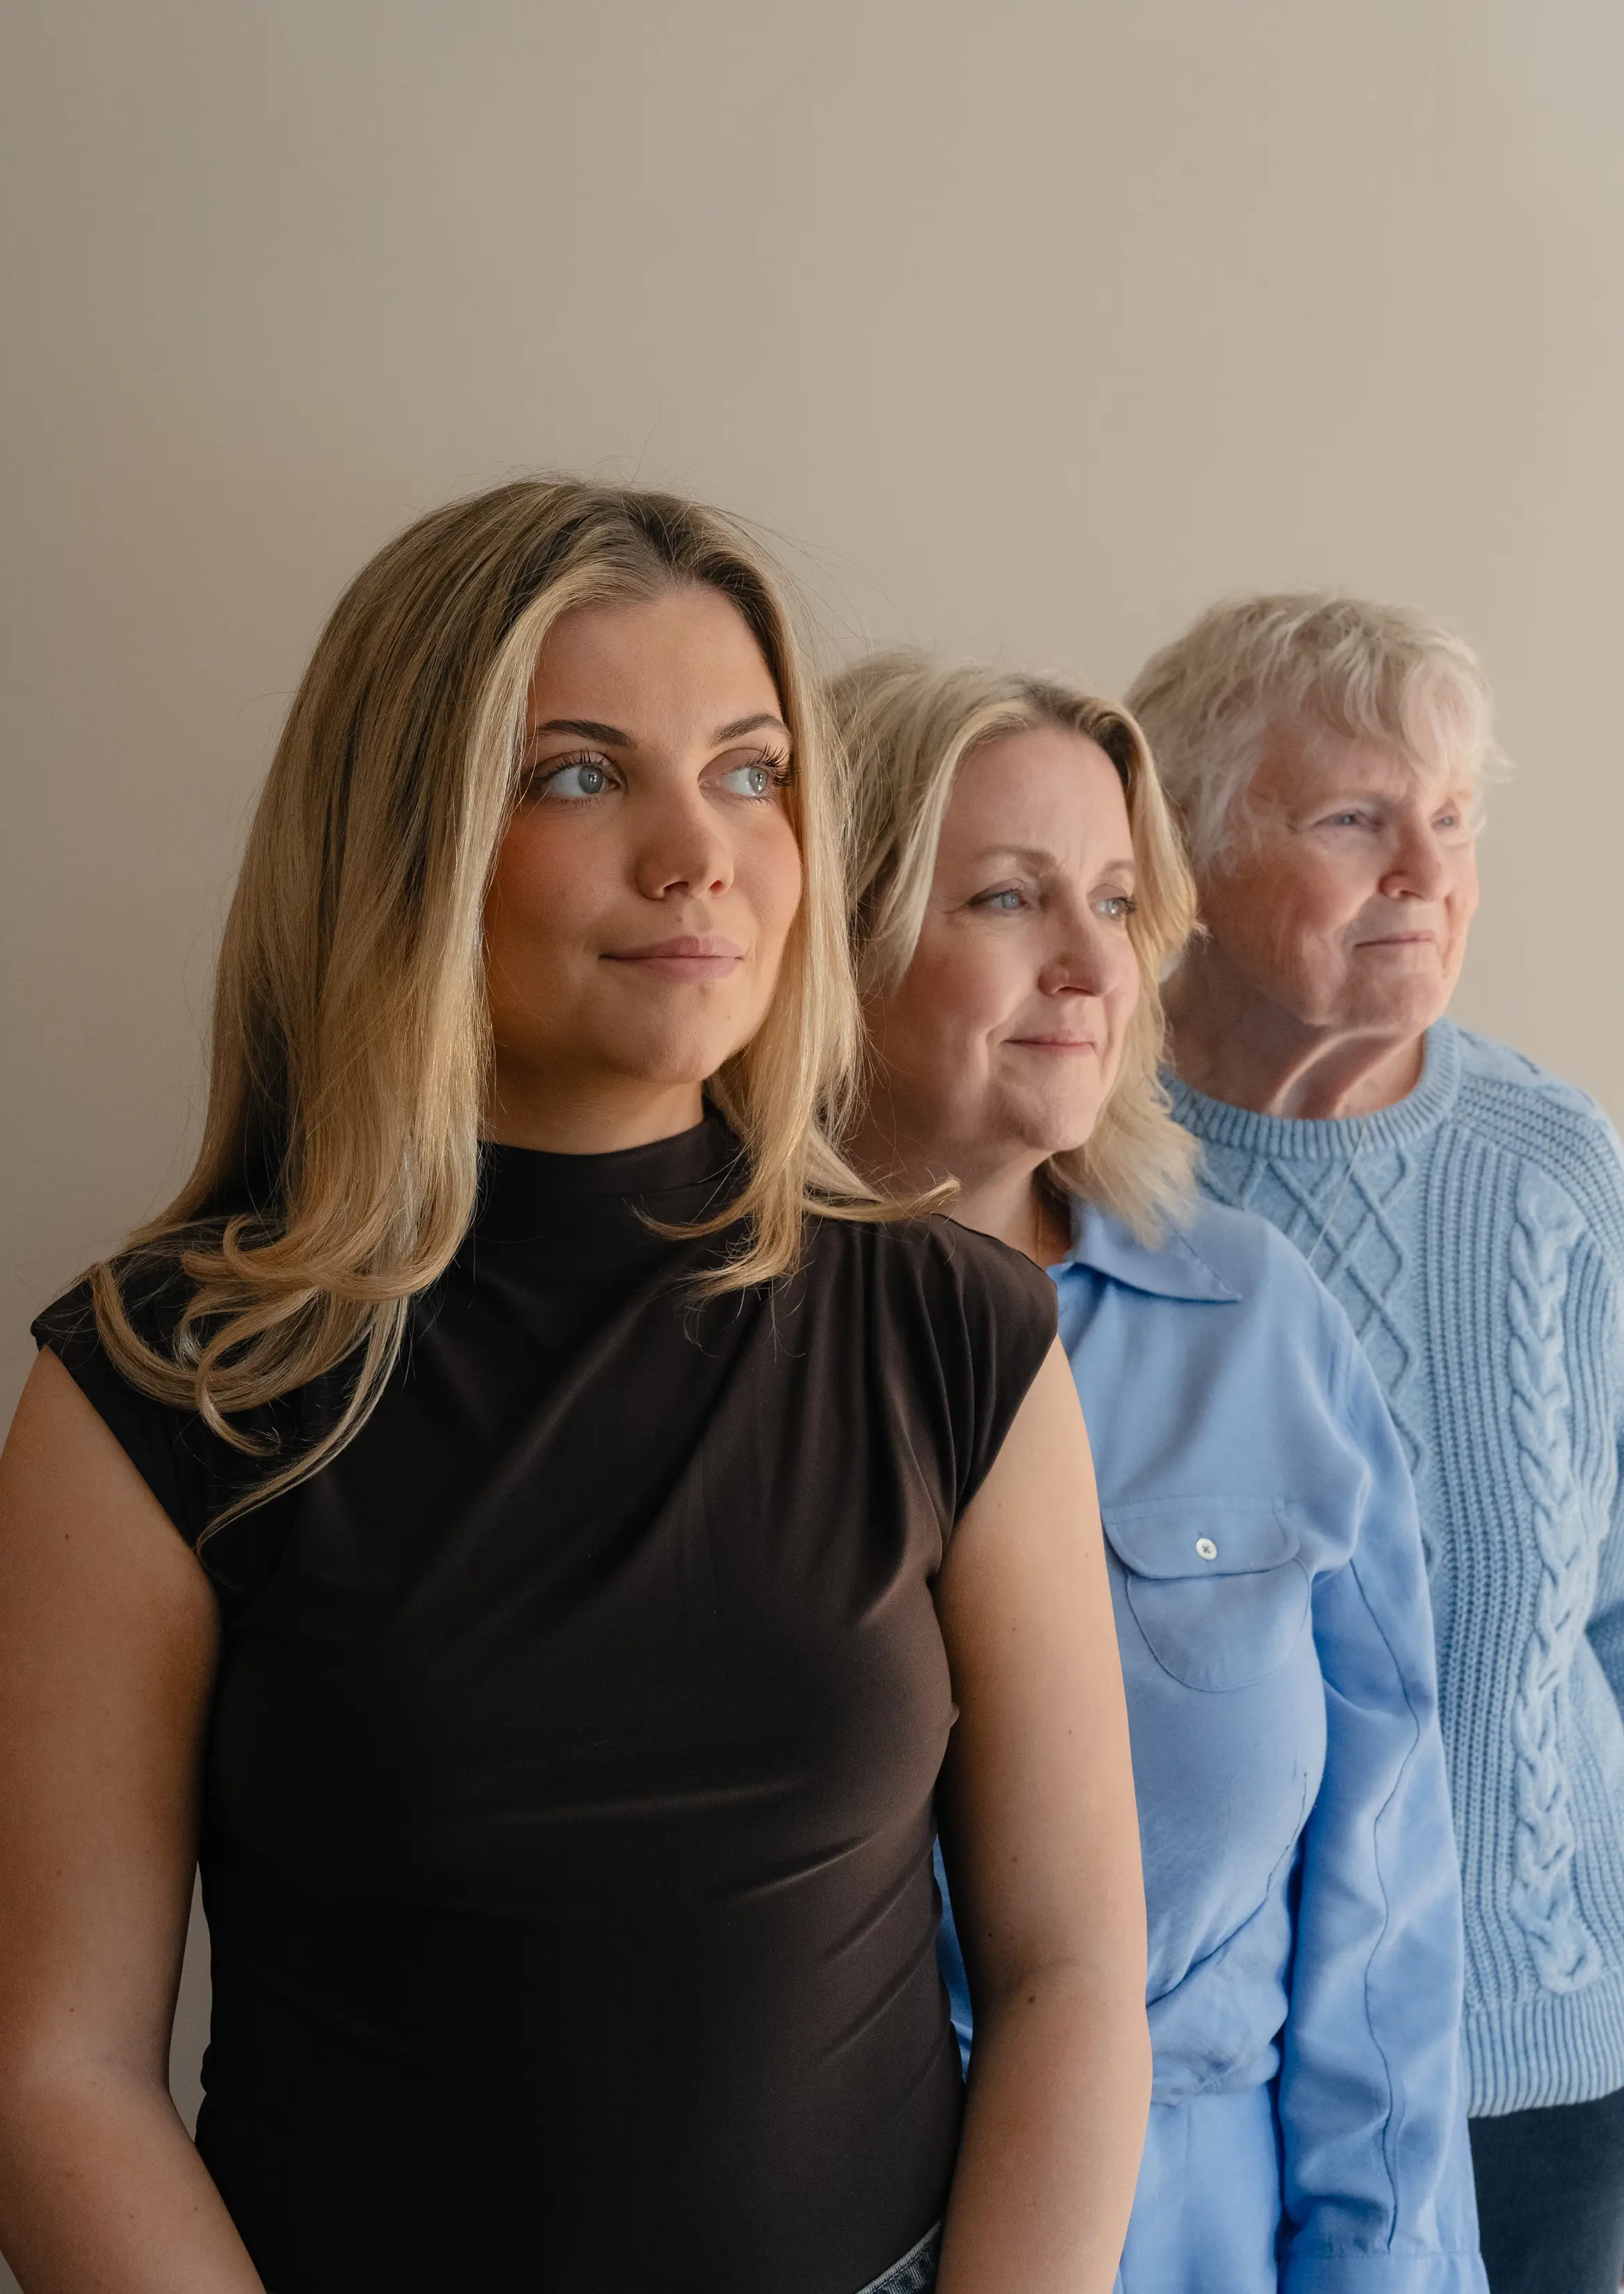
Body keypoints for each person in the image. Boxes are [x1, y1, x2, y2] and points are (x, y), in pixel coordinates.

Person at [0, 484, 1151, 2294]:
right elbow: (57, 2070)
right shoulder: (164, 1388)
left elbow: (1072, 1968)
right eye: (580, 773)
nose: (703, 852)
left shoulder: (957, 1333)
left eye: (754, 770)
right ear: (413, 839)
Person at [831, 649, 1485, 2294]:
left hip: (1204, 2223)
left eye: (1118, 904)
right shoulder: (697, 1346)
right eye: (1003, 900)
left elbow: (1380, 1893)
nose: (1086, 966)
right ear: (835, 936)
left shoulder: (1252, 1314)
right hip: (817, 2219)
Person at [1127, 592, 1624, 2294]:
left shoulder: (1557, 1165)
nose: (1425, 870)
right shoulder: (1073, 1175)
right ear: (1182, 849)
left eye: (1454, 817)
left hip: (1540, 2058)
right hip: (1191, 2081)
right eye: (1352, 818)